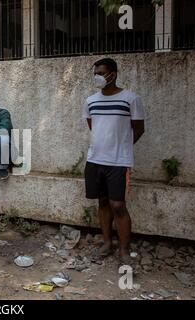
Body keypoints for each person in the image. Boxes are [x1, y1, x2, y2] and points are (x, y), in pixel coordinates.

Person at [82, 58, 145, 264]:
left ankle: (124, 250)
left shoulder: (131, 99)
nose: (98, 77)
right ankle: (107, 243)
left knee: (118, 205)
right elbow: (94, 127)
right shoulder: (90, 101)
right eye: (95, 73)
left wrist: (123, 147)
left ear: (113, 74)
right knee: (102, 202)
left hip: (118, 161)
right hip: (95, 159)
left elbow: (139, 128)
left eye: (101, 73)